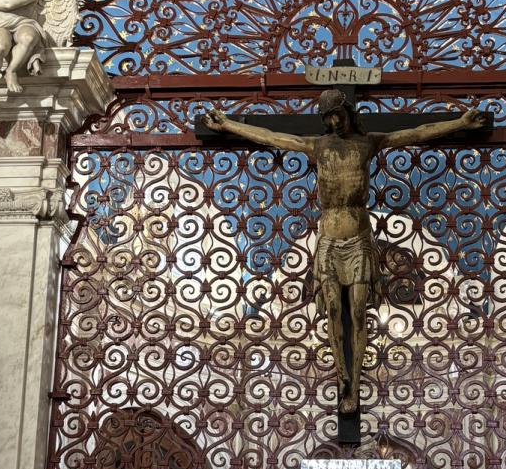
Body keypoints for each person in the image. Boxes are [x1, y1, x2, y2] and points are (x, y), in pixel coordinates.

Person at [205, 90, 486, 412]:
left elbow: (417, 132)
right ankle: (344, 381)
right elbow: (271, 137)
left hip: (359, 239)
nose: (334, 122)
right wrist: (228, 125)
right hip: (328, 240)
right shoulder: (318, 145)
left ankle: (355, 380)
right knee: (334, 312)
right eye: (328, 118)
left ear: (349, 112)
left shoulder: (368, 143)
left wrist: (459, 123)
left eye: (337, 115)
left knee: (358, 312)